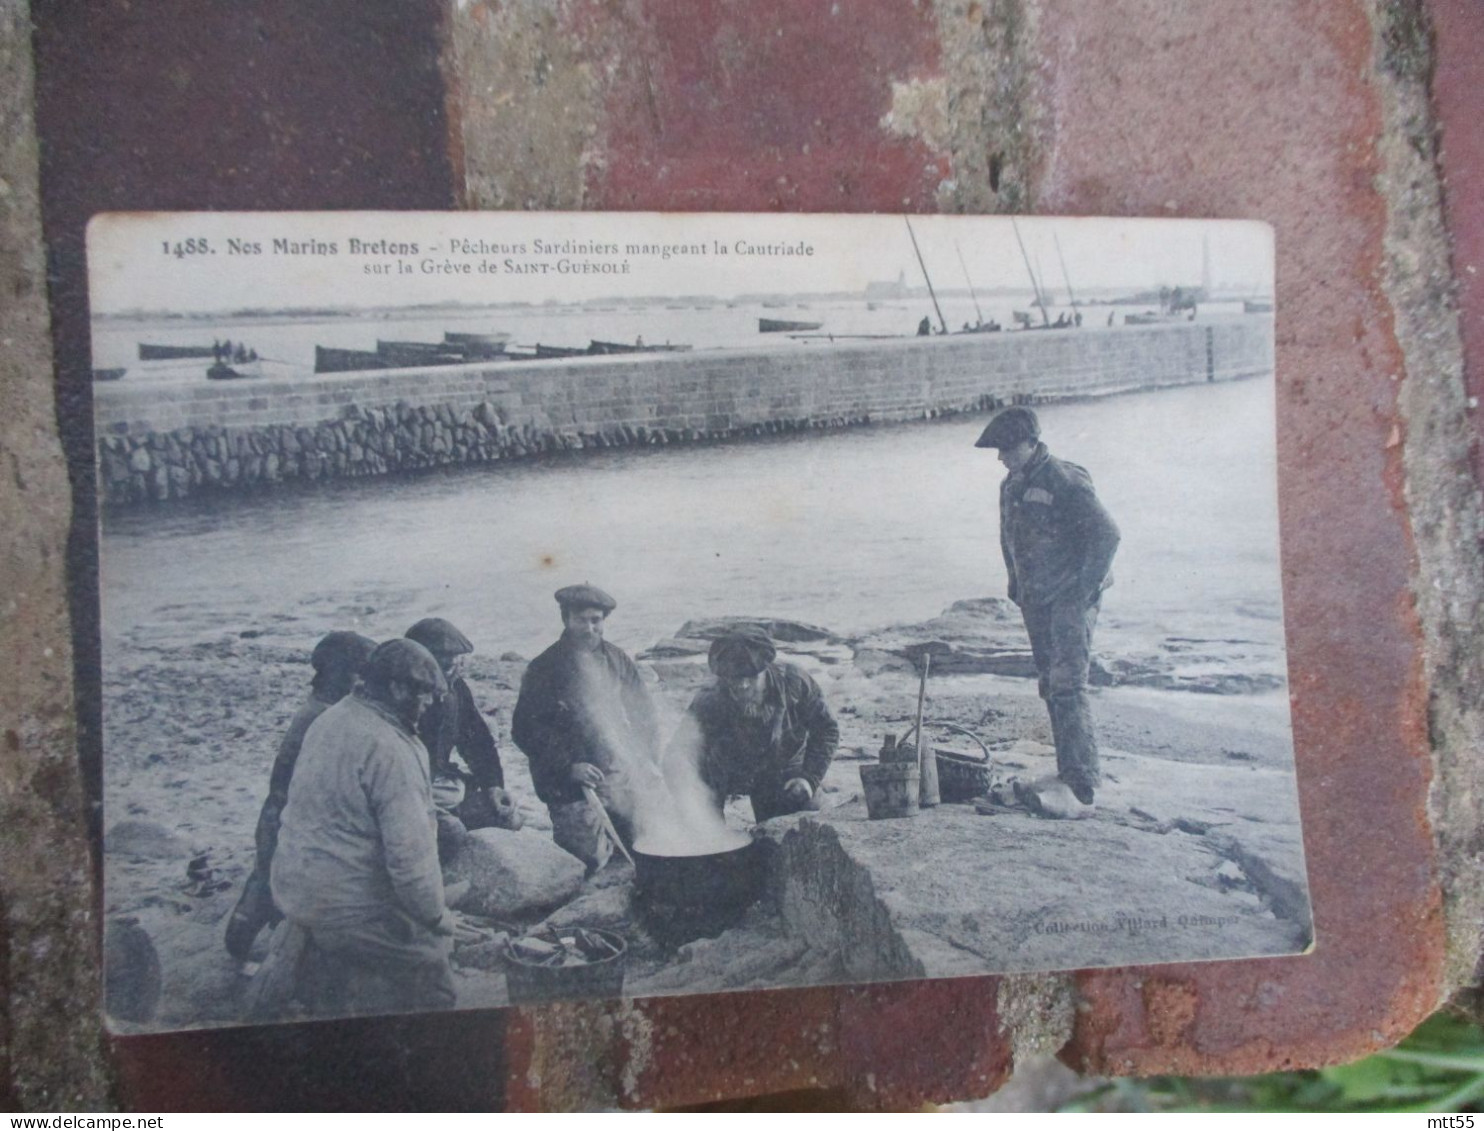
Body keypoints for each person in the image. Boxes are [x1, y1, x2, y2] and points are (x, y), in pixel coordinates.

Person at [269, 638, 455, 1015]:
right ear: (397, 688)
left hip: (293, 887)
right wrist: (438, 918)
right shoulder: (390, 749)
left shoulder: (331, 717)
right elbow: (410, 864)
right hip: (345, 907)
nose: (427, 707)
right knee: (436, 976)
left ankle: (323, 965)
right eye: (423, 696)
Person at [975, 406, 1120, 817]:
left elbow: (1107, 535)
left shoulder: (1064, 479)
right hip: (1036, 599)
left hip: (1069, 599)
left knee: (1068, 684)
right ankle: (1068, 768)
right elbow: (1010, 537)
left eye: (1006, 448)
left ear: (1030, 443)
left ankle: (1083, 781)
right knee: (1049, 683)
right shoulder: (1011, 485)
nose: (1000, 457)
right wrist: (1014, 581)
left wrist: (1082, 589)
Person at [225, 630, 377, 963]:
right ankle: (243, 944)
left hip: (283, 811)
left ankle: (250, 939)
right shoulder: (323, 718)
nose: (364, 684)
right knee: (271, 884)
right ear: (340, 675)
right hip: (289, 815)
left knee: (269, 879)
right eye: (359, 674)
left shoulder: (320, 708)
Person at [510, 584, 661, 870]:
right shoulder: (545, 667)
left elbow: (644, 713)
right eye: (582, 620)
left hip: (618, 770)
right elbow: (525, 730)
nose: (590, 628)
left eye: (596, 620)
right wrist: (568, 767)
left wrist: (648, 758)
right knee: (591, 860)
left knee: (651, 839)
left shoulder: (617, 659)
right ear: (566, 620)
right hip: (569, 782)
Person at [682, 627, 839, 822]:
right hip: (727, 774)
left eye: (751, 677)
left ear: (765, 670)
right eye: (734, 679)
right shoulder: (708, 700)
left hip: (782, 772)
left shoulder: (795, 683)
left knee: (805, 828)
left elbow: (827, 730)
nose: (743, 686)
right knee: (702, 828)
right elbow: (680, 752)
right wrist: (691, 798)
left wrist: (809, 778)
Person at [403, 617, 521, 857]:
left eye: (455, 664)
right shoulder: (398, 697)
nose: (451, 671)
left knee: (508, 818)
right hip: (406, 796)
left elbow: (477, 741)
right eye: (443, 665)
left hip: (441, 787)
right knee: (450, 834)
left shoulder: (456, 690)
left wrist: (493, 786)